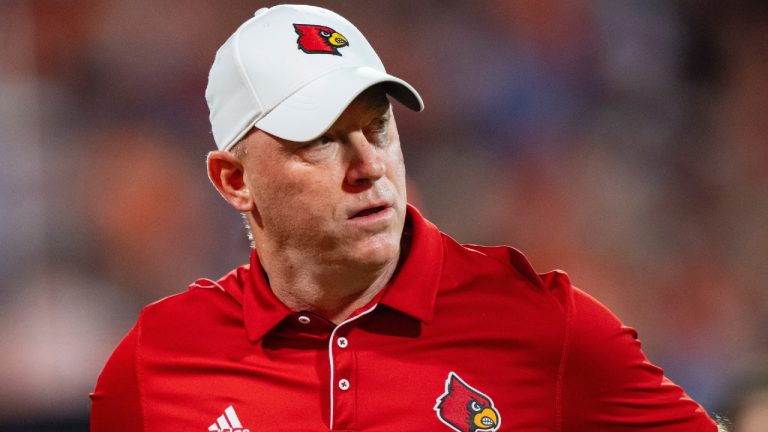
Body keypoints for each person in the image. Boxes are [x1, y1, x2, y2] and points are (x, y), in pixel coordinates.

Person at [91, 4, 720, 431]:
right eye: (320, 138)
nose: (368, 163)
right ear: (235, 181)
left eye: (378, 125)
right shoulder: (155, 365)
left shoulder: (541, 328)